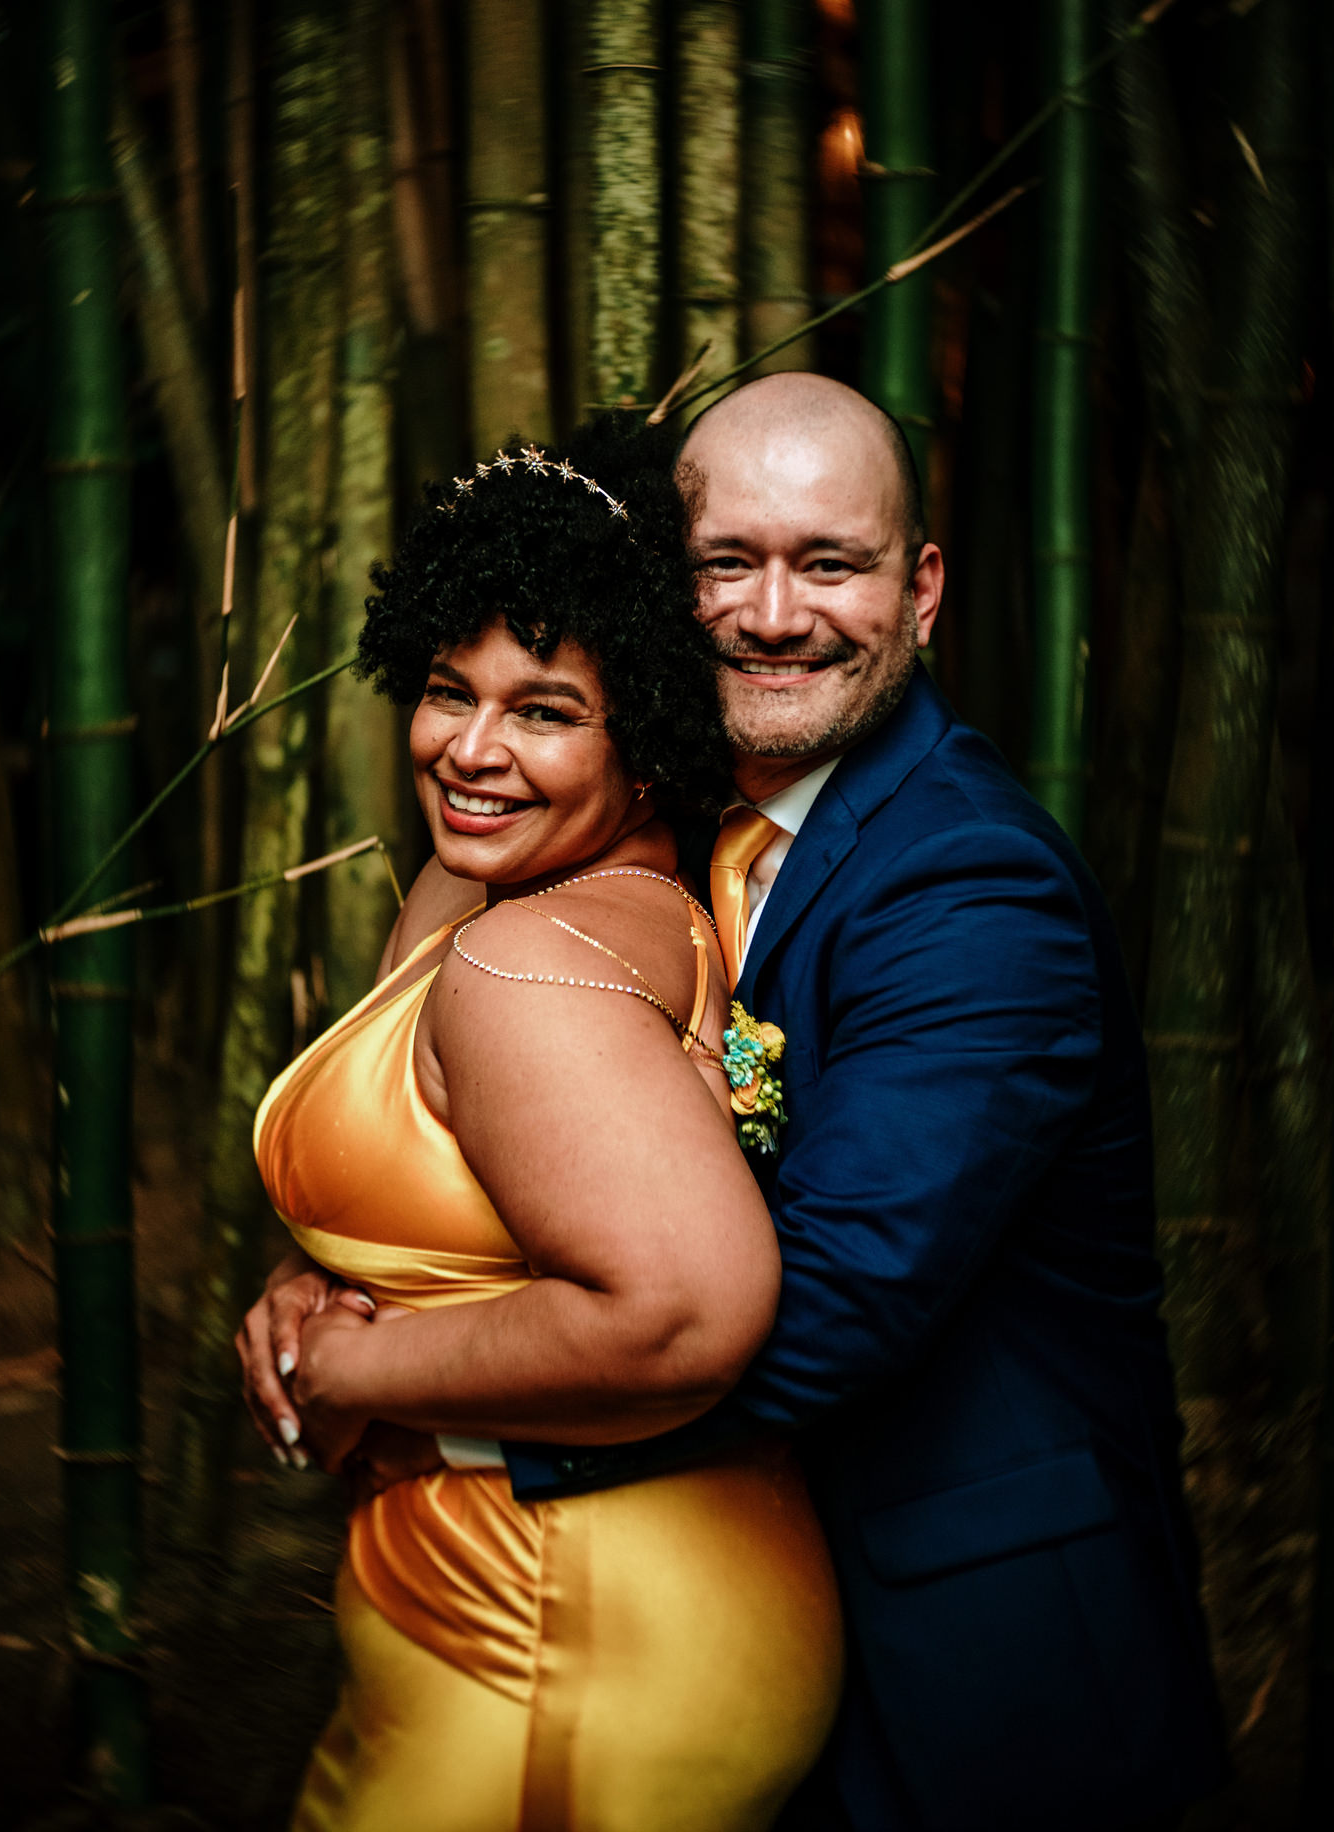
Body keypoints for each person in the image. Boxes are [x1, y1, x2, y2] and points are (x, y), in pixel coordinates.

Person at [246, 373, 1228, 1830]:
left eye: (829, 564)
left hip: (968, 1645)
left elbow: (833, 1291)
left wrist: (412, 1400)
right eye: (727, 564)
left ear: (920, 590)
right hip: (731, 1579)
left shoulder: (971, 883)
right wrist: (356, 1278)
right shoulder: (646, 820)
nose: (774, 615)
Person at [238, 419, 843, 1832]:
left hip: (572, 1625)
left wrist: (355, 1368)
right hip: (511, 1595)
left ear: (651, 733)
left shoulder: (530, 965)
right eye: (449, 690)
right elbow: (469, 1205)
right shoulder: (490, 891)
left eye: (546, 711)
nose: (472, 749)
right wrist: (320, 1288)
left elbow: (682, 1313)